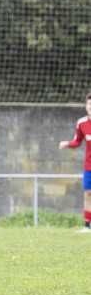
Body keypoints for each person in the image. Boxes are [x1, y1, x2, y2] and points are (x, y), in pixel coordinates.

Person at [58, 91, 91, 233]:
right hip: (88, 166)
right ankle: (87, 225)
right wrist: (67, 143)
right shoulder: (82, 123)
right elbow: (77, 141)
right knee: (87, 194)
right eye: (89, 104)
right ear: (85, 106)